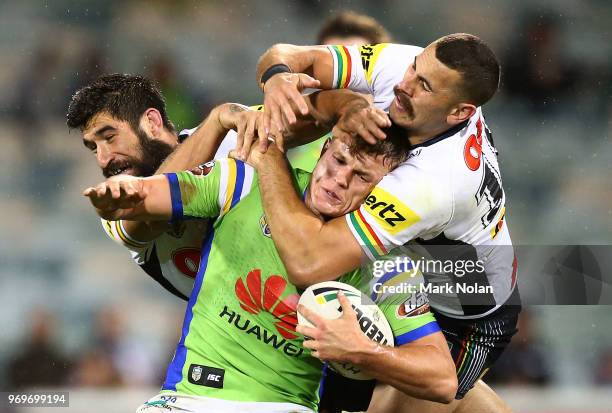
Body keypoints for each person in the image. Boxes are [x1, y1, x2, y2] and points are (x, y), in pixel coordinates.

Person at [83, 124, 457, 412]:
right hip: (189, 399)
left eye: (361, 177)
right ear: (324, 149)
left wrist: (363, 351)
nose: (339, 179)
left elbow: (442, 379)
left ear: (383, 191)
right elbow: (149, 194)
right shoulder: (242, 182)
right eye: (339, 160)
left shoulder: (384, 264)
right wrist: (125, 193)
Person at [247, 33, 520, 412]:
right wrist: (277, 79)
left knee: (404, 397)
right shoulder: (406, 68)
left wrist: (269, 153)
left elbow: (309, 262)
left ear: (460, 112)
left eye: (423, 85)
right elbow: (287, 55)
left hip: (464, 309)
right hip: (404, 265)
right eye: (414, 69)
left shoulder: (433, 182)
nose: (402, 85)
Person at [67, 74, 261, 299]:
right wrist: (217, 119)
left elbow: (305, 116)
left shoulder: (232, 135)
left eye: (109, 137)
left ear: (151, 123)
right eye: (93, 148)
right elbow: (150, 204)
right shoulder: (118, 204)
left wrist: (276, 73)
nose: (102, 159)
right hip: (236, 330)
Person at [290, 10, 393, 172]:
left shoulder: (404, 152)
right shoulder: (291, 135)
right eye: (335, 70)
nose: (345, 82)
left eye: (355, 70)